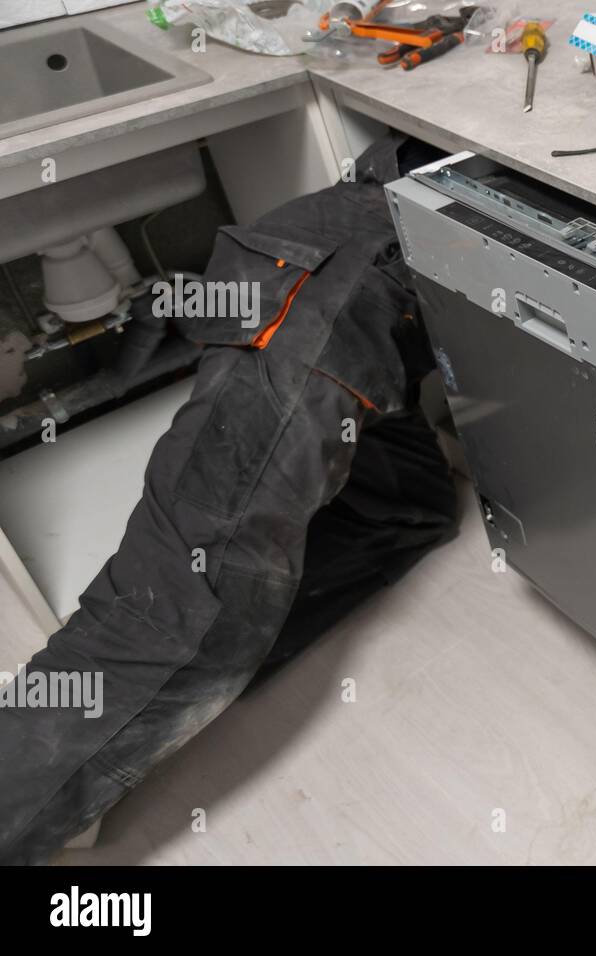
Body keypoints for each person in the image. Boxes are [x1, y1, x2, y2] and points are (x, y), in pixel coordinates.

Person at [0, 134, 459, 864]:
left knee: (410, 510)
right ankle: (41, 768)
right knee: (183, 606)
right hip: (320, 291)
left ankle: (115, 716)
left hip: (348, 285)